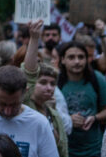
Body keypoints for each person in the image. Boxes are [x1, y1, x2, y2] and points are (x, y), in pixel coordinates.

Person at [22, 20, 71, 157]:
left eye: (52, 84)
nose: (49, 88)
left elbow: (62, 148)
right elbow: (29, 72)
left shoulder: (53, 113)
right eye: (43, 82)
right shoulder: (25, 104)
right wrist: (34, 38)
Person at [58, 41, 106, 157]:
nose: (77, 61)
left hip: (94, 150)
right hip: (65, 150)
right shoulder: (56, 82)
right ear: (63, 60)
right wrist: (68, 120)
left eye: (81, 57)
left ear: (87, 59)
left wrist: (94, 118)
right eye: (71, 57)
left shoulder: (97, 79)